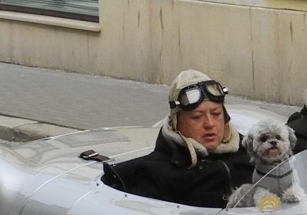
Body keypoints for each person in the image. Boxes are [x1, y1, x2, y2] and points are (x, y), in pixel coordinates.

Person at [104, 70, 254, 207]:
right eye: (197, 117)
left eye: (216, 114)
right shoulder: (155, 174)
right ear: (176, 123)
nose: (209, 124)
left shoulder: (254, 154)